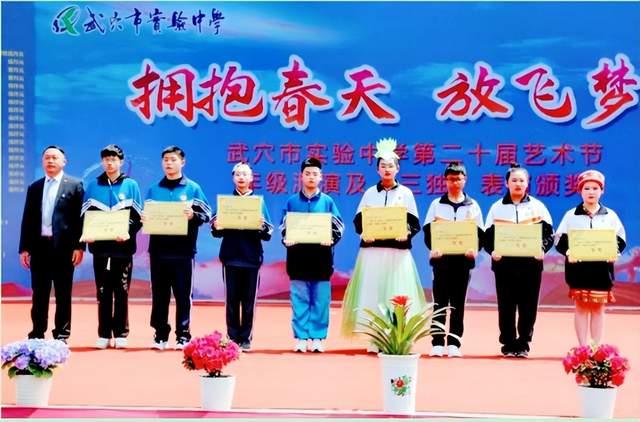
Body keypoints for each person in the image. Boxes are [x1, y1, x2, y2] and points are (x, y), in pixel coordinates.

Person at [341, 138, 426, 352]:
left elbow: (414, 223)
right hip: (372, 252)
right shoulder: (370, 193)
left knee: (397, 293)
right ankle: (375, 338)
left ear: (398, 169)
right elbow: (359, 220)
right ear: (377, 169)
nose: (387, 169)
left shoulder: (405, 193)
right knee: (372, 292)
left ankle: (397, 338)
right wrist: (365, 233)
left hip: (397, 253)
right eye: (383, 166)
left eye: (391, 165)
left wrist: (406, 233)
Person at [483, 163, 554, 358]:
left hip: (531, 264)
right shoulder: (497, 208)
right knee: (506, 304)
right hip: (504, 264)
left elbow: (549, 234)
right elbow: (487, 236)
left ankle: (523, 343)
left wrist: (542, 249)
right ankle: (508, 343)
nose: (518, 184)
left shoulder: (537, 207)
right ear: (506, 183)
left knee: (528, 305)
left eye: (522, 180)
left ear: (527, 183)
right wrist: (492, 251)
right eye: (514, 180)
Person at [145, 146, 211, 350]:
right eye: (165, 159)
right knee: (159, 295)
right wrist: (145, 218)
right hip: (158, 251)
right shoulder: (154, 189)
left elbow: (206, 215)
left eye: (173, 159)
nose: (169, 163)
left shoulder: (193, 188)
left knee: (183, 295)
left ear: (182, 162)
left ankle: (183, 335)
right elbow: (146, 214)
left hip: (183, 251)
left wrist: (193, 216)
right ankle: (160, 335)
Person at [19, 146, 84, 342]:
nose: (50, 161)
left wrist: (79, 247)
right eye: (47, 157)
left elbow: (80, 219)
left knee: (63, 293)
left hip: (64, 249)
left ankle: (62, 334)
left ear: (64, 162)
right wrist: (24, 248)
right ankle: (37, 332)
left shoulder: (75, 185)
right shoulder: (35, 187)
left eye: (55, 158)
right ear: (42, 162)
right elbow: (28, 219)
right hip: (40, 248)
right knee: (39, 293)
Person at [280, 157, 344, 353]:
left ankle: (317, 337)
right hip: (297, 259)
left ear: (321, 177)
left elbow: (339, 226)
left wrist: (331, 238)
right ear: (301, 176)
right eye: (307, 173)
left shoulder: (327, 201)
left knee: (320, 301)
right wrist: (286, 238)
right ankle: (301, 337)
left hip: (321, 259)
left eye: (315, 174)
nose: (311, 177)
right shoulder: (292, 201)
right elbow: (284, 226)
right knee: (299, 299)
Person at [81, 145, 142, 349]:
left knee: (122, 291)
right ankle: (104, 334)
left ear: (121, 162)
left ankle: (121, 333)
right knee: (103, 291)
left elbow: (138, 218)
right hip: (100, 249)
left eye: (113, 159)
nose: (109, 162)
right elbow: (85, 216)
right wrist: (88, 233)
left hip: (123, 249)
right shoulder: (93, 185)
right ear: (102, 162)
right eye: (106, 159)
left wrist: (127, 231)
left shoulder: (131, 185)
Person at [555, 170, 625, 346]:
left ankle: (596, 347)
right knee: (581, 307)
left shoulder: (610, 215)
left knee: (598, 308)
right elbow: (559, 240)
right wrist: (569, 252)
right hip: (578, 270)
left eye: (595, 188)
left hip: (602, 271)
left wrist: (614, 252)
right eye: (586, 188)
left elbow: (620, 239)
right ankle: (582, 347)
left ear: (602, 191)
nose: (591, 192)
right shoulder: (571, 215)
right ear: (580, 191)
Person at [422, 162, 484, 358]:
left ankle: (454, 343)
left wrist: (474, 249)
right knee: (439, 302)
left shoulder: (473, 206)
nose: (454, 182)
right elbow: (428, 232)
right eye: (451, 179)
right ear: (445, 181)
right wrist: (433, 248)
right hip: (441, 262)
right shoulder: (436, 204)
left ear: (465, 180)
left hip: (463, 262)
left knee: (458, 303)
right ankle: (437, 342)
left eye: (458, 179)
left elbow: (480, 234)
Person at [211, 162, 273, 352]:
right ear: (233, 178)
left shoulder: (258, 202)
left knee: (248, 302)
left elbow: (268, 232)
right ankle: (232, 337)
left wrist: (262, 226)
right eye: (238, 174)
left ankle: (245, 338)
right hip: (230, 257)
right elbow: (215, 230)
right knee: (231, 301)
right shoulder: (226, 202)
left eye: (245, 174)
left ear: (251, 178)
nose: (241, 177)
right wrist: (216, 225)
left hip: (252, 258)